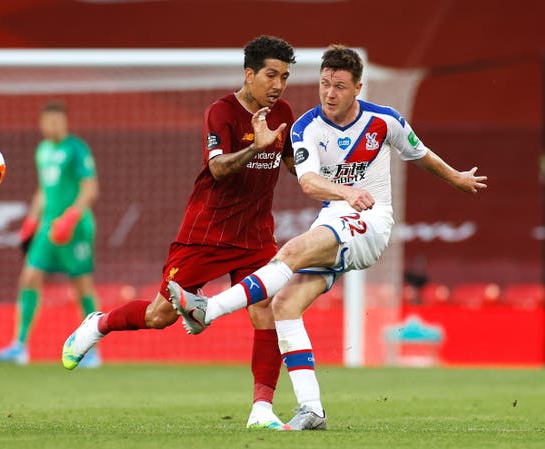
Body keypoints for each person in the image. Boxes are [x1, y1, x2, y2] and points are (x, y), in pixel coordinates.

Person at [168, 44, 488, 430]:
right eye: (324, 84)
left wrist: (456, 178)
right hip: (336, 217)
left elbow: (420, 153)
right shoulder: (305, 127)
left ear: (357, 88)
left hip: (371, 221)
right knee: (285, 304)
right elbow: (307, 181)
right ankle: (311, 408)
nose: (329, 93)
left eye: (338, 85)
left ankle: (210, 310)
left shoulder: (384, 121)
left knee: (291, 251)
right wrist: (345, 192)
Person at [61, 35, 296, 429]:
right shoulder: (220, 112)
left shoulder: (284, 111)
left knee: (265, 311)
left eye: (285, 77)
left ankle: (262, 410)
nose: (278, 85)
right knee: (159, 316)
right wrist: (257, 146)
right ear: (249, 73)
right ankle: (98, 324)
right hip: (206, 234)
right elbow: (219, 169)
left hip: (256, 237)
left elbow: (293, 165)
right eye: (271, 75)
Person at [0, 100, 102, 368]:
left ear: (65, 122)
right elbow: (43, 191)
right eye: (48, 121)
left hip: (74, 228)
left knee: (81, 285)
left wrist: (71, 218)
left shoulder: (76, 149)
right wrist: (31, 221)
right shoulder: (42, 150)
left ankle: (92, 351)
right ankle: (19, 346)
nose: (52, 125)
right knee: (28, 278)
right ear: (41, 124)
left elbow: (90, 189)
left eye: (57, 120)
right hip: (47, 227)